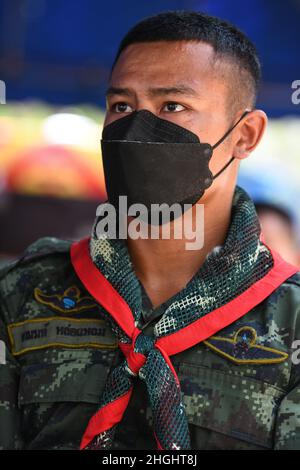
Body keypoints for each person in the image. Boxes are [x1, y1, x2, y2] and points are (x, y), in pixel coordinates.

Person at [0, 11, 299, 451]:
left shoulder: (290, 321)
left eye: (172, 107)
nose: (136, 131)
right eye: (121, 106)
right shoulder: (24, 294)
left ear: (245, 135)